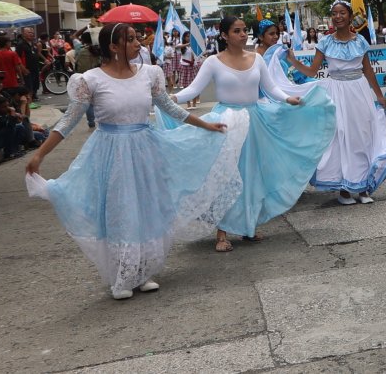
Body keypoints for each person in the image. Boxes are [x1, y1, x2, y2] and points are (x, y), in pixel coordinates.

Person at [25, 23, 243, 299]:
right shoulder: (90, 80)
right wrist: (39, 154)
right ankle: (122, 276)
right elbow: (68, 122)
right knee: (120, 211)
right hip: (110, 154)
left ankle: (143, 271)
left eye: (136, 37)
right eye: (129, 39)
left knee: (147, 208)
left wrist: (205, 125)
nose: (138, 43)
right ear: (113, 47)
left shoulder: (148, 75)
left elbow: (170, 108)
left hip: (145, 150)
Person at [170, 16, 336, 252]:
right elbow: (193, 89)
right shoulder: (213, 62)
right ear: (224, 35)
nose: (241, 34)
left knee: (252, 175)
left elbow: (271, 88)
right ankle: (222, 233)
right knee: (227, 174)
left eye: (243, 30)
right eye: (236, 31)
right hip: (225, 123)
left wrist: (288, 98)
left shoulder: (257, 59)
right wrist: (171, 99)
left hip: (255, 120)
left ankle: (248, 225)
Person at [282, 0, 386, 205]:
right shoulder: (324, 42)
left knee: (362, 135)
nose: (338, 16)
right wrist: (293, 62)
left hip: (358, 91)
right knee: (340, 136)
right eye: (334, 13)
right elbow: (312, 71)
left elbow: (367, 70)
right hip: (336, 92)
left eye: (342, 13)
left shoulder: (360, 41)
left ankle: (363, 188)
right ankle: (344, 190)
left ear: (350, 16)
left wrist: (379, 95)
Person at [16, 27, 41, 101]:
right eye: (29, 32)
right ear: (24, 34)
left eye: (32, 33)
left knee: (35, 83)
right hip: (27, 68)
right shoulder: (21, 44)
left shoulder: (33, 44)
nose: (31, 34)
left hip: (35, 67)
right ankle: (29, 99)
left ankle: (34, 95)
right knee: (28, 85)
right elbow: (18, 57)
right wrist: (23, 69)